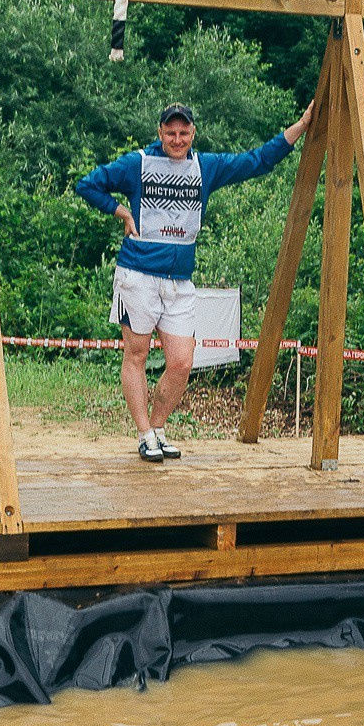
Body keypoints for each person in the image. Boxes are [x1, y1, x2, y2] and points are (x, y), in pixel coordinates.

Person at [76, 100, 313, 462]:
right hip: (138, 274)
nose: (176, 139)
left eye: (183, 132)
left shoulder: (206, 167)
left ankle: (157, 427)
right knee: (136, 355)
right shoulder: (137, 164)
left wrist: (302, 124)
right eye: (170, 132)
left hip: (179, 282)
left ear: (193, 133)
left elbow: (257, 160)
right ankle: (144, 434)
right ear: (160, 132)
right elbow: (88, 184)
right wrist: (120, 210)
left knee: (182, 362)